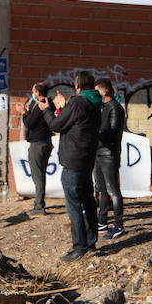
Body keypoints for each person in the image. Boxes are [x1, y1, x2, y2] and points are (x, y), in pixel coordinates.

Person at [39, 72, 101, 262]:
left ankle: (79, 246)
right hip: (86, 159)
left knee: (74, 205)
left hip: (73, 160)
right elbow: (73, 123)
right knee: (88, 202)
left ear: (77, 85)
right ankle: (90, 241)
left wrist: (48, 109)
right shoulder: (94, 103)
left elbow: (56, 124)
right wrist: (64, 107)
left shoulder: (78, 102)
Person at [93, 78, 125, 240]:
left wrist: (94, 132)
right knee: (101, 189)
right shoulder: (102, 107)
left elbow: (111, 132)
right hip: (99, 153)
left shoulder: (115, 108)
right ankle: (102, 221)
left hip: (109, 155)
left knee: (113, 190)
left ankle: (118, 225)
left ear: (104, 91)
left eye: (97, 90)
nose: (95, 93)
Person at [22, 82, 53, 213]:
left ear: (38, 93)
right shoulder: (48, 103)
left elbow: (30, 123)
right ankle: (39, 202)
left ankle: (39, 205)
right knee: (40, 174)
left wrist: (24, 113)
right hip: (45, 142)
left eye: (33, 91)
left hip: (38, 144)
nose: (32, 93)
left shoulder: (40, 105)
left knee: (38, 176)